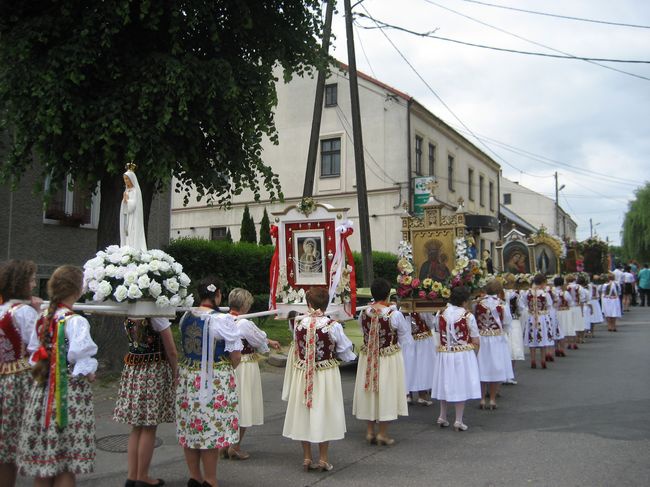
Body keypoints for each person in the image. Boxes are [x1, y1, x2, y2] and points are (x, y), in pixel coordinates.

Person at [17, 266, 98, 485]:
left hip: (41, 392)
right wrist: (90, 373)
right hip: (67, 396)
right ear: (78, 290)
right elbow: (81, 360)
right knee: (66, 465)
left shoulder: (43, 317)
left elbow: (36, 353)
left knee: (45, 465)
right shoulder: (76, 322)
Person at [176, 277, 242, 487]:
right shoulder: (222, 320)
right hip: (212, 377)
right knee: (210, 429)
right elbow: (236, 356)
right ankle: (210, 479)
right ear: (218, 295)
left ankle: (194, 476)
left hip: (188, 376)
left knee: (191, 428)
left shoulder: (186, 315)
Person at [282, 287, 355, 472]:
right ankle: (323, 458)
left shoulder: (298, 323)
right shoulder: (333, 325)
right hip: (324, 374)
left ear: (308, 303)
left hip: (303, 373)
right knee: (324, 411)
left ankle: (307, 457)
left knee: (304, 411)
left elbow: (298, 346)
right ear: (326, 303)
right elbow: (345, 351)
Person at [113, 304, 179, 486]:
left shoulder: (129, 312)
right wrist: (176, 373)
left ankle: (132, 476)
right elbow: (171, 350)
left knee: (136, 426)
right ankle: (142, 476)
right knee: (149, 426)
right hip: (153, 372)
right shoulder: (157, 315)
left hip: (134, 370)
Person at [353, 278, 412, 445]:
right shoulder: (394, 315)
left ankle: (370, 431)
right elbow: (405, 338)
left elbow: (363, 330)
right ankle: (383, 433)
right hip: (388, 357)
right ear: (387, 295)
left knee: (370, 391)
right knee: (387, 391)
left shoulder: (364, 312)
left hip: (368, 357)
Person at [0, 260, 42, 487]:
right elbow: (39, 347)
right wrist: (37, 313)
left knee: (4, 444)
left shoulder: (2, 309)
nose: (35, 284)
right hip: (17, 382)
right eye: (32, 279)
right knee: (13, 445)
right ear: (20, 283)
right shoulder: (23, 311)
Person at [227, 288, 281, 460]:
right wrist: (268, 343)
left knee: (232, 404)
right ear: (244, 306)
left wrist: (268, 341)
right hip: (244, 364)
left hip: (227, 364)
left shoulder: (224, 319)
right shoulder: (244, 322)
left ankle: (226, 442)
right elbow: (257, 339)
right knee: (244, 404)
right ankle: (235, 446)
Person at [431, 286, 481, 431]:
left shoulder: (440, 313)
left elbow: (437, 331)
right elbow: (476, 340)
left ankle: (442, 416)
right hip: (462, 354)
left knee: (444, 382)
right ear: (465, 301)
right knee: (460, 384)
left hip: (444, 353)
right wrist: (474, 355)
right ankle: (458, 420)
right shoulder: (468, 316)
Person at [473, 280, 513, 409]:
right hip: (496, 339)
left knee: (482, 366)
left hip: (482, 338)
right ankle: (492, 400)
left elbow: (473, 319)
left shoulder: (477, 304)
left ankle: (482, 399)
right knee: (495, 367)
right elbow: (507, 322)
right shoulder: (502, 305)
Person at [402, 312, 436, 406]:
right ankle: (420, 396)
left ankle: (409, 395)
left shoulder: (402, 310)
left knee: (410, 366)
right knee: (422, 366)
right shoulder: (422, 310)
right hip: (422, 340)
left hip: (409, 340)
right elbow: (431, 324)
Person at [521, 274, 555, 369]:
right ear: (543, 283)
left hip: (531, 317)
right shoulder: (545, 293)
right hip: (542, 317)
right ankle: (543, 360)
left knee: (532, 337)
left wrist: (531, 309)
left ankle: (533, 360)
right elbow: (549, 305)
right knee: (542, 338)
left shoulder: (527, 293)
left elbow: (523, 304)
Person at [503, 275, 524, 385]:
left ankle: (503, 374)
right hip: (514, 321)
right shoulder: (516, 295)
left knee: (505, 347)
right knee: (514, 348)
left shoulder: (500, 294)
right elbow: (520, 308)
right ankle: (510, 375)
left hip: (503, 323)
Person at [120, 167, 147, 251]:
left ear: (131, 179)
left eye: (127, 179)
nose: (126, 181)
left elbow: (133, 206)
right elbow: (124, 208)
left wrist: (127, 201)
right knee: (127, 235)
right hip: (127, 217)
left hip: (134, 218)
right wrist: (124, 201)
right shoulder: (126, 191)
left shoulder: (135, 191)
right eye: (124, 179)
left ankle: (133, 251)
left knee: (133, 234)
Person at [551, 276, 573, 355]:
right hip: (565, 312)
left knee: (556, 330)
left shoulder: (551, 292)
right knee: (563, 331)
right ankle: (562, 349)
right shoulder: (565, 293)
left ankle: (556, 348)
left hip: (556, 312)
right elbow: (570, 301)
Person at [565, 275, 583, 349]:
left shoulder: (566, 287)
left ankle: (569, 342)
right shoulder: (579, 287)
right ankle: (575, 342)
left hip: (569, 307)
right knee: (577, 324)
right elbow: (582, 297)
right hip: (577, 306)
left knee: (570, 324)